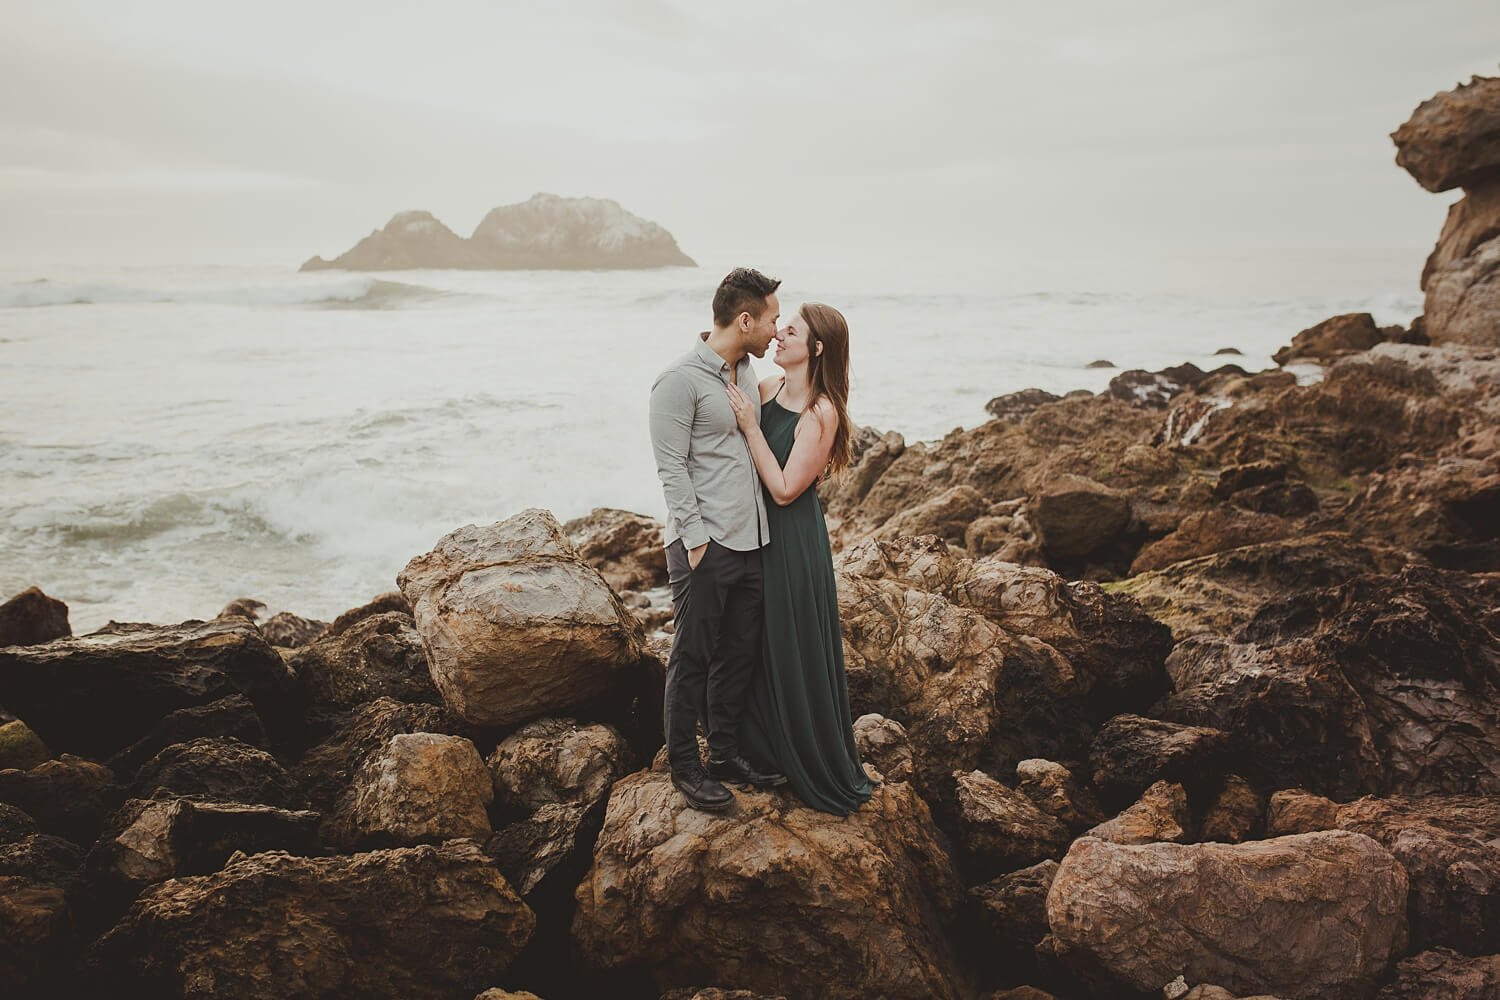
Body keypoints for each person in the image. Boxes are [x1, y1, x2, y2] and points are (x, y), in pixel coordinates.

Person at [724, 302, 879, 816]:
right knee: (758, 640)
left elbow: (788, 489)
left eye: (791, 331)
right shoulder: (765, 389)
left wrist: (750, 429)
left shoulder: (821, 412)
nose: (780, 334)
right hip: (755, 533)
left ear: (814, 349)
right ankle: (759, 748)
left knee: (791, 640)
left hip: (791, 538)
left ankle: (807, 757)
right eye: (780, 326)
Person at [649, 267, 790, 813]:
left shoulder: (749, 373)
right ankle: (684, 765)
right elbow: (671, 468)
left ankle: (726, 754)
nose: (776, 329)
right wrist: (697, 540)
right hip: (704, 545)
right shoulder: (677, 380)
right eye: (773, 319)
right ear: (746, 318)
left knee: (738, 654)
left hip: (752, 540)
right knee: (692, 656)